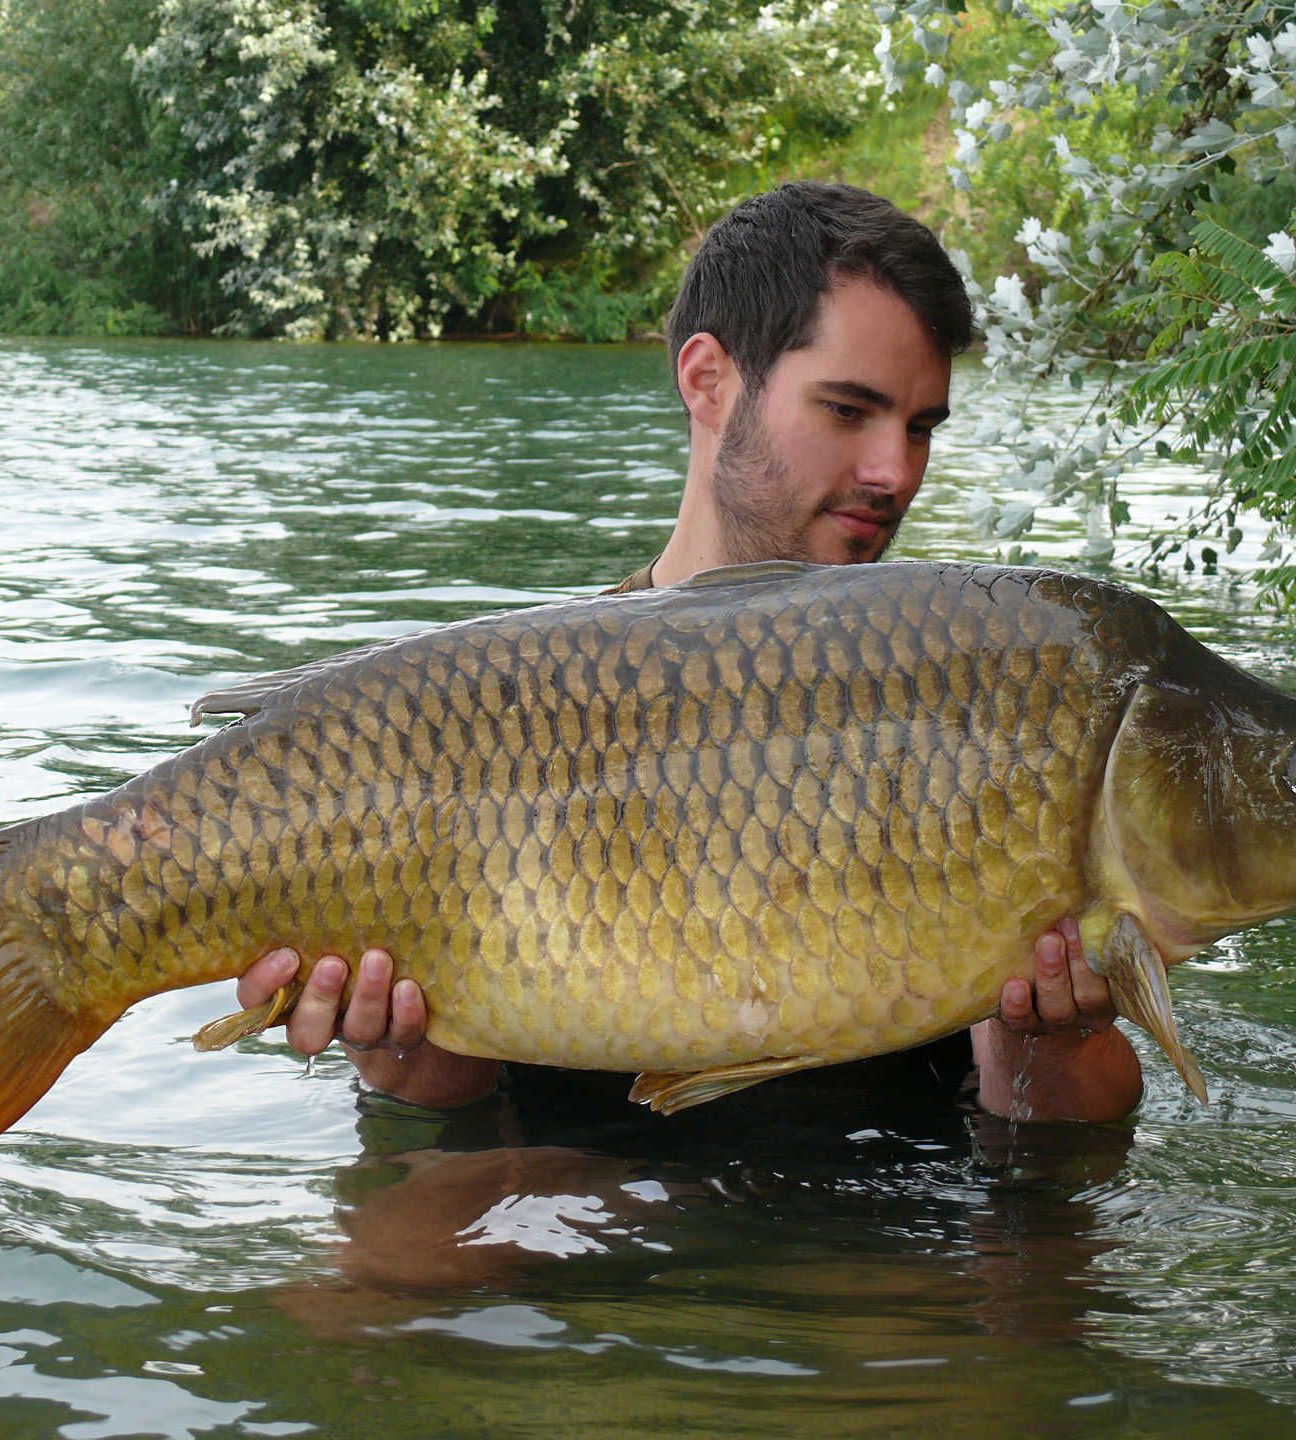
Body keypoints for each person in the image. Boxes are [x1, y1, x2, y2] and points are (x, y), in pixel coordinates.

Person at [234, 183, 1142, 1125]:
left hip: (881, 1231)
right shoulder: (506, 707)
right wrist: (400, 1051)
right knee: (407, 1244)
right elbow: (447, 1120)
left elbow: (1056, 1147)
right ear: (708, 381)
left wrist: (1050, 1036)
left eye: (919, 428)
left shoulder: (984, 697)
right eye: (848, 411)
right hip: (570, 1218)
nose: (894, 473)